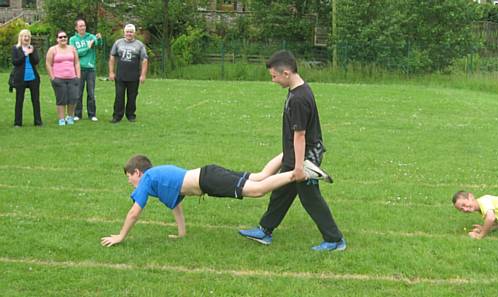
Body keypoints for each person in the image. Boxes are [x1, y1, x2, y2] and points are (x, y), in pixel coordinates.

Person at [238, 50, 346, 251]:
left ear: (286, 73)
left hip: (304, 158)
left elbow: (300, 135)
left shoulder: (299, 99)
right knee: (281, 193)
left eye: (274, 76)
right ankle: (265, 230)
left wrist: (298, 168)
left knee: (310, 198)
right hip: (294, 155)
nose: (274, 80)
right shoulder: (297, 91)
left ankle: (335, 239)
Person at [100, 153, 332, 247]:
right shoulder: (157, 180)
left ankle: (299, 171)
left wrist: (120, 236)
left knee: (258, 190)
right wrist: (181, 233)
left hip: (208, 180)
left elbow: (134, 212)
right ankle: (289, 151)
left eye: (129, 177)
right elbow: (176, 205)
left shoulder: (148, 179)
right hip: (208, 175)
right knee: (260, 177)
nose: (129, 181)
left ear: (137, 173)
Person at [108, 24, 148, 123]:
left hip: (134, 76)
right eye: (127, 31)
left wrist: (143, 75)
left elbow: (144, 60)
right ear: (124, 32)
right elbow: (112, 57)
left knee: (132, 97)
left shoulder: (139, 45)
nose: (129, 33)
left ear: (134, 33)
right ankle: (117, 116)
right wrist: (111, 72)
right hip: (120, 75)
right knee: (119, 96)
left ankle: (131, 115)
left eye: (131, 32)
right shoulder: (118, 43)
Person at [46, 30, 81, 126]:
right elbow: (48, 64)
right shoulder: (53, 50)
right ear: (57, 39)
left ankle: (70, 117)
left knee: (73, 98)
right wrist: (52, 78)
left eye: (65, 37)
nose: (63, 39)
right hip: (59, 78)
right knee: (61, 99)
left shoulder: (72, 49)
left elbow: (77, 63)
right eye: (60, 37)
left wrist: (78, 76)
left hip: (72, 78)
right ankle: (61, 119)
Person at [70, 18, 102, 122]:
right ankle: (77, 114)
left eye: (84, 25)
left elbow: (99, 44)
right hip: (78, 69)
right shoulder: (73, 39)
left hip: (90, 68)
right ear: (76, 28)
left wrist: (99, 39)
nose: (83, 27)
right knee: (78, 93)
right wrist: (87, 48)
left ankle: (92, 114)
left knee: (91, 93)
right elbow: (75, 53)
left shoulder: (90, 37)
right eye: (80, 26)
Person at [11, 29, 42, 127]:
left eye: (28, 36)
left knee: (36, 100)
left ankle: (38, 122)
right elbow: (15, 62)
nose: (27, 38)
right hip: (20, 78)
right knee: (19, 100)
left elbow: (36, 61)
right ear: (21, 37)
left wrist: (31, 53)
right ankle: (18, 123)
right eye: (25, 36)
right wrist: (25, 54)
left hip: (33, 78)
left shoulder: (33, 48)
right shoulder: (16, 48)